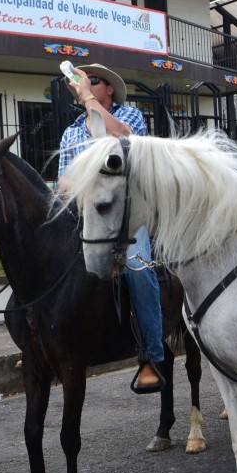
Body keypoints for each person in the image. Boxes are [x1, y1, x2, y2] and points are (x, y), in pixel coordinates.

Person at [57, 63, 166, 394]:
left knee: (138, 267)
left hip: (126, 215)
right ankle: (44, 338)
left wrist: (88, 98)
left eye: (93, 81)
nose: (84, 85)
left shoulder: (130, 115)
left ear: (108, 89)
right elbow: (62, 182)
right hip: (85, 214)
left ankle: (151, 357)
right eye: (83, 82)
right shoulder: (71, 131)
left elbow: (125, 139)